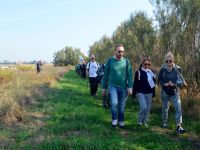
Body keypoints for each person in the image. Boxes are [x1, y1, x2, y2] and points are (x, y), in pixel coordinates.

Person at [102, 44, 133, 128]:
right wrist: (103, 88)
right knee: (114, 103)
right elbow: (105, 75)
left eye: (122, 51)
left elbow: (130, 75)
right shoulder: (110, 61)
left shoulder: (126, 61)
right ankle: (114, 119)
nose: (120, 53)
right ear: (115, 51)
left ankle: (121, 120)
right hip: (113, 86)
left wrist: (130, 87)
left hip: (123, 87)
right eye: (119, 51)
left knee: (121, 106)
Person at [158, 52, 186, 134]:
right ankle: (164, 122)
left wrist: (174, 84)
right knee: (165, 108)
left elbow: (181, 81)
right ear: (165, 61)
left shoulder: (177, 69)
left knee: (178, 108)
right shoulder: (162, 69)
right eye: (166, 61)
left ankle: (179, 126)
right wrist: (165, 83)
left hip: (175, 91)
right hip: (165, 92)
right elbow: (159, 80)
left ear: (173, 60)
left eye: (170, 61)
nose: (168, 63)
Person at [132, 57, 156, 127]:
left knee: (148, 109)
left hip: (149, 93)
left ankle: (144, 122)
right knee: (143, 107)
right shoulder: (138, 72)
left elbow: (153, 84)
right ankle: (139, 121)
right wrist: (133, 93)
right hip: (141, 92)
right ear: (142, 64)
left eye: (149, 64)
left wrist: (153, 93)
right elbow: (135, 83)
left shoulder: (151, 72)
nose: (147, 66)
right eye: (145, 64)